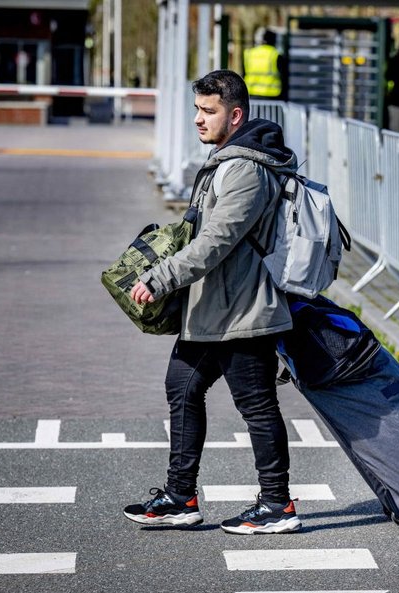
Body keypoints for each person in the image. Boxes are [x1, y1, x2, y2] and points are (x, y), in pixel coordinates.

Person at [123, 70, 302, 534]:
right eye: (197, 110)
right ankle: (180, 496)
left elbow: (217, 240)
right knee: (181, 388)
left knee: (257, 406)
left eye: (209, 111)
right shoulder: (226, 159)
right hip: (212, 310)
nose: (199, 120)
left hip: (244, 311)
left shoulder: (246, 169)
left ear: (235, 114)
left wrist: (162, 277)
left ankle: (277, 504)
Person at [243, 30, 287, 100]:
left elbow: (244, 74)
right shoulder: (275, 55)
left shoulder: (250, 54)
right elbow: (284, 77)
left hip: (251, 94)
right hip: (272, 95)